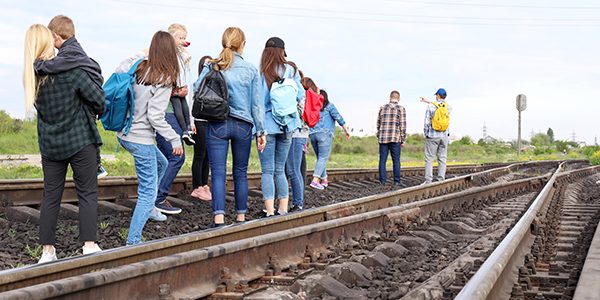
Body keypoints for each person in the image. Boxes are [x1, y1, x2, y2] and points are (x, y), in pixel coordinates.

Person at [23, 24, 104, 263]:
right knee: (87, 192)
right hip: (80, 141)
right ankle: (89, 245)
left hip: (50, 145)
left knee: (50, 196)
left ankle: (47, 251)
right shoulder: (72, 70)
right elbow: (99, 100)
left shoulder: (32, 77)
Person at [193, 27, 266, 227]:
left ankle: (219, 219)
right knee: (240, 173)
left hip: (217, 123)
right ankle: (241, 218)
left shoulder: (212, 66)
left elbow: (195, 88)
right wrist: (261, 131)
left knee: (217, 173)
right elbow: (256, 104)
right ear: (242, 44)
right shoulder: (250, 69)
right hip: (243, 124)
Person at [116, 31, 183, 244]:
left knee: (162, 164)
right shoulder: (163, 78)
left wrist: (140, 54)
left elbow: (120, 68)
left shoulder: (139, 68)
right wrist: (175, 139)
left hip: (125, 135)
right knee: (146, 193)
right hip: (141, 138)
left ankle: (152, 209)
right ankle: (132, 241)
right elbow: (155, 116)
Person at [34, 15, 108, 179]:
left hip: (69, 135)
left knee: (53, 191)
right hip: (85, 124)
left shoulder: (68, 57)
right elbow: (99, 102)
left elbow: (55, 65)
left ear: (55, 36)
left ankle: (97, 164)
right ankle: (97, 164)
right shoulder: (79, 54)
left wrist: (39, 65)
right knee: (88, 191)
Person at [258, 37, 305, 217]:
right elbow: (300, 94)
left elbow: (260, 103)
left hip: (268, 126)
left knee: (267, 171)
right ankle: (283, 209)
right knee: (280, 169)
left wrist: (259, 130)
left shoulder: (263, 72)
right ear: (282, 51)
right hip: (288, 125)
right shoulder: (291, 70)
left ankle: (270, 211)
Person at [308, 89, 351, 190]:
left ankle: (324, 179)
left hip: (312, 134)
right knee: (323, 158)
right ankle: (315, 180)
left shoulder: (313, 107)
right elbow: (339, 118)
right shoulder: (329, 106)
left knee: (320, 158)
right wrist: (346, 130)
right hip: (324, 134)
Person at [167, 23, 195, 146]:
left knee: (184, 105)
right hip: (174, 85)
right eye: (180, 38)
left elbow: (187, 59)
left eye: (184, 38)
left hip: (181, 84)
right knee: (178, 106)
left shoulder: (180, 52)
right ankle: (184, 129)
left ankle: (188, 128)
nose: (183, 40)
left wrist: (183, 48)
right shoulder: (168, 51)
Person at [190, 55, 213, 201]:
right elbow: (190, 103)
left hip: (210, 123)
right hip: (199, 121)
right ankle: (196, 186)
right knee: (199, 155)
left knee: (208, 156)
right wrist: (191, 123)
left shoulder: (213, 86)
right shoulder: (197, 84)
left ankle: (204, 184)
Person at [421, 88, 451, 184]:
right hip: (444, 136)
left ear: (438, 95)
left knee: (429, 158)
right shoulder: (448, 107)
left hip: (433, 136)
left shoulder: (430, 106)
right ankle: (441, 179)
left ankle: (428, 180)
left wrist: (426, 134)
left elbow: (426, 122)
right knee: (442, 158)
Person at [377, 90, 406, 186]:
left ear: (390, 97)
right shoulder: (401, 109)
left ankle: (382, 181)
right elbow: (403, 125)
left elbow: (378, 123)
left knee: (382, 160)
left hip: (383, 138)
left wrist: (379, 135)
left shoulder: (382, 108)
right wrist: (403, 139)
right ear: (398, 98)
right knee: (396, 160)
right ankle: (396, 181)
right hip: (395, 138)